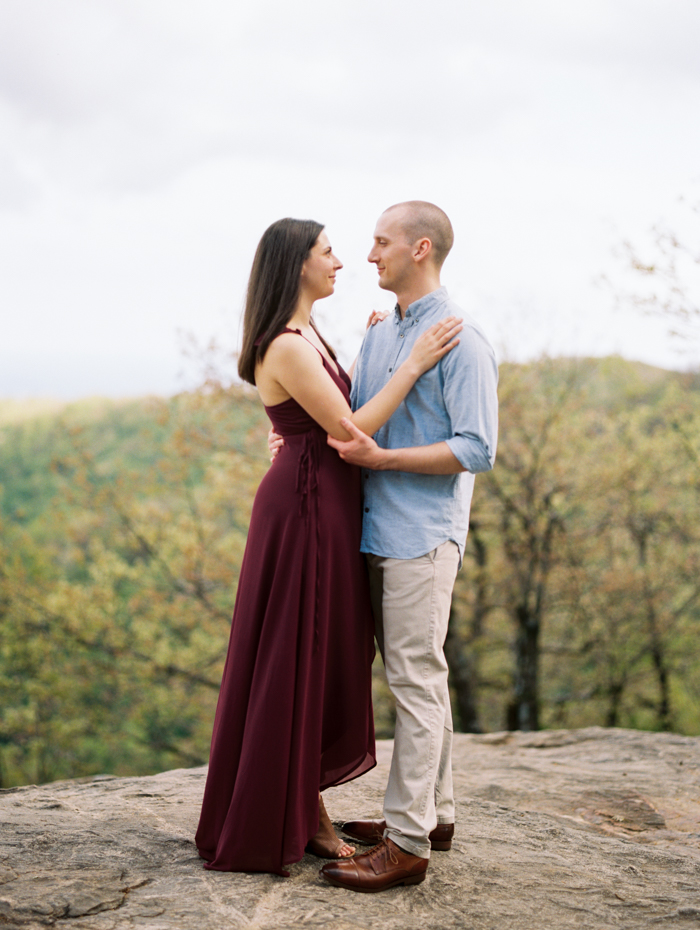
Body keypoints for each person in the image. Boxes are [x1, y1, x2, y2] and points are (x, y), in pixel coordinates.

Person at [194, 217, 463, 877]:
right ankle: (303, 816)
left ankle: (312, 802)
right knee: (297, 651)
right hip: (306, 509)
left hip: (327, 503)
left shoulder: (310, 331)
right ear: (297, 265)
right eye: (327, 252)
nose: (341, 261)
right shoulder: (286, 344)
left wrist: (380, 341)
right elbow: (352, 430)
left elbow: (316, 414)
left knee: (322, 650)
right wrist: (415, 361)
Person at [271, 201, 498, 891]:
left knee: (415, 681)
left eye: (380, 242)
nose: (368, 254)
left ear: (420, 249)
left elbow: (476, 448)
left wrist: (385, 463)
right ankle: (436, 815)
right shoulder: (383, 334)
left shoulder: (463, 340)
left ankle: (406, 845)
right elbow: (353, 413)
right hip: (371, 533)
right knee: (417, 674)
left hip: (420, 539)